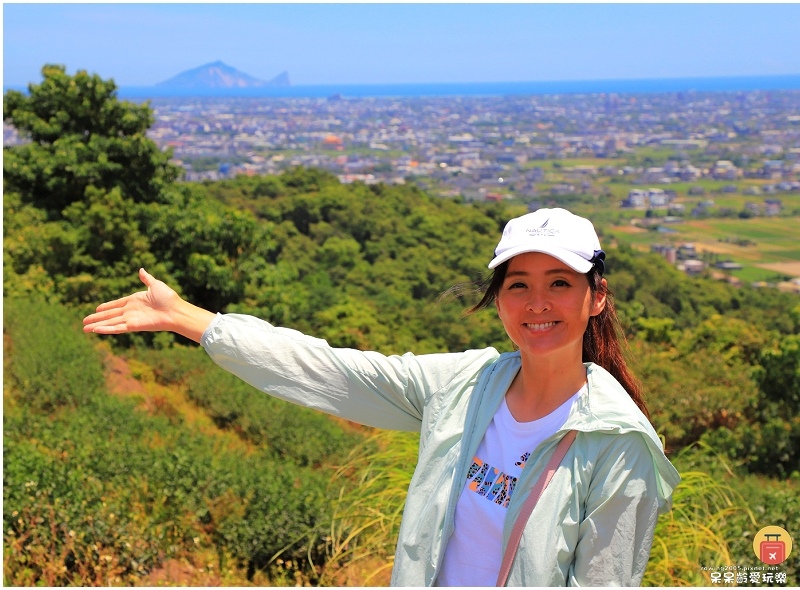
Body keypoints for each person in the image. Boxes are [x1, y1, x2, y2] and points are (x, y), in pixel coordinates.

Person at [83, 207, 680, 587]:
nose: (537, 304)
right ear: (497, 299)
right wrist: (190, 319)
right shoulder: (465, 388)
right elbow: (335, 371)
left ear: (596, 297)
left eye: (560, 284)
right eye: (517, 285)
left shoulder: (618, 444)